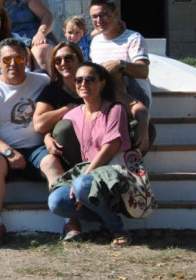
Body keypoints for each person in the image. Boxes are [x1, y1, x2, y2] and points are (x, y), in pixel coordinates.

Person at [0, 38, 64, 245]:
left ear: (27, 59)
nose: (13, 63)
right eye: (7, 59)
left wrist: (48, 136)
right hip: (3, 151)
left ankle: (69, 219)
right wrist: (8, 151)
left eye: (18, 57)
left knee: (51, 162)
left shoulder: (42, 82)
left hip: (36, 148)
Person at [47, 62, 134, 246]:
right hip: (89, 176)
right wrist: (47, 137)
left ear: (102, 83)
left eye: (90, 79)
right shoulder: (75, 113)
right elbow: (44, 127)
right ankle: (104, 216)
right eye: (78, 80)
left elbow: (110, 147)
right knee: (57, 201)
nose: (83, 84)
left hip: (112, 174)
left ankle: (116, 228)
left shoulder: (115, 109)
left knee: (82, 185)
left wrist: (85, 177)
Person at [88, 0, 151, 108]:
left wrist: (120, 64)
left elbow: (143, 71)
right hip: (105, 94)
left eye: (104, 15)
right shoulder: (96, 41)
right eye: (94, 17)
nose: (99, 20)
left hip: (136, 99)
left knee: (115, 70)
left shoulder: (133, 38)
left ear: (116, 14)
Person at [34, 41, 86, 168]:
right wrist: (68, 108)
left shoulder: (90, 83)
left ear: (79, 59)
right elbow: (39, 124)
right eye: (58, 60)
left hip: (93, 139)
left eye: (68, 58)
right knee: (65, 127)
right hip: (68, 149)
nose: (63, 64)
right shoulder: (52, 90)